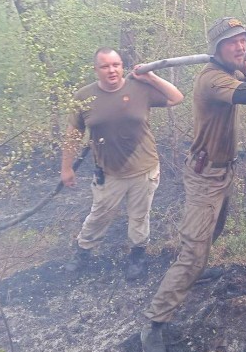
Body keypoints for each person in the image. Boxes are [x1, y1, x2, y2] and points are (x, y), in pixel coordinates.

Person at [140, 17, 246, 352]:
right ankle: (154, 322)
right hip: (206, 177)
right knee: (193, 252)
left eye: (244, 40)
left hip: (223, 171)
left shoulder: (229, 72)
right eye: (232, 42)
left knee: (213, 232)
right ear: (216, 48)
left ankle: (195, 270)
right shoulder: (212, 79)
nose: (241, 46)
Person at [60, 47, 184, 281]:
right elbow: (73, 135)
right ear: (96, 70)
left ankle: (138, 256)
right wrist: (66, 168)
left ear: (122, 66)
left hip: (144, 168)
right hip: (109, 172)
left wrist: (150, 76)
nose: (112, 70)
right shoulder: (83, 97)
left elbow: (177, 97)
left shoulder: (139, 88)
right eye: (105, 66)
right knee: (99, 215)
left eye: (116, 64)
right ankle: (83, 252)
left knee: (139, 216)